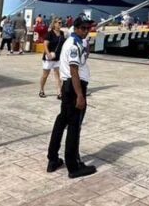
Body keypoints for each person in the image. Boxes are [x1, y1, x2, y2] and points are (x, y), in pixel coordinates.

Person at [46, 17, 96, 178]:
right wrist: (80, 95)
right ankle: (73, 167)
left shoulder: (74, 42)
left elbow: (81, 61)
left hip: (68, 87)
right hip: (75, 87)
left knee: (61, 121)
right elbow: (74, 70)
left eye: (88, 28)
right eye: (83, 28)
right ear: (75, 28)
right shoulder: (74, 45)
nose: (86, 30)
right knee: (74, 126)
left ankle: (52, 158)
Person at [39, 18, 64, 98]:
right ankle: (41, 90)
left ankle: (59, 93)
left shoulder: (62, 33)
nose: (60, 24)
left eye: (61, 23)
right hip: (49, 58)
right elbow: (45, 44)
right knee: (45, 75)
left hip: (57, 57)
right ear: (54, 24)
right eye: (59, 23)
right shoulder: (50, 33)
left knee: (58, 75)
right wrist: (48, 54)